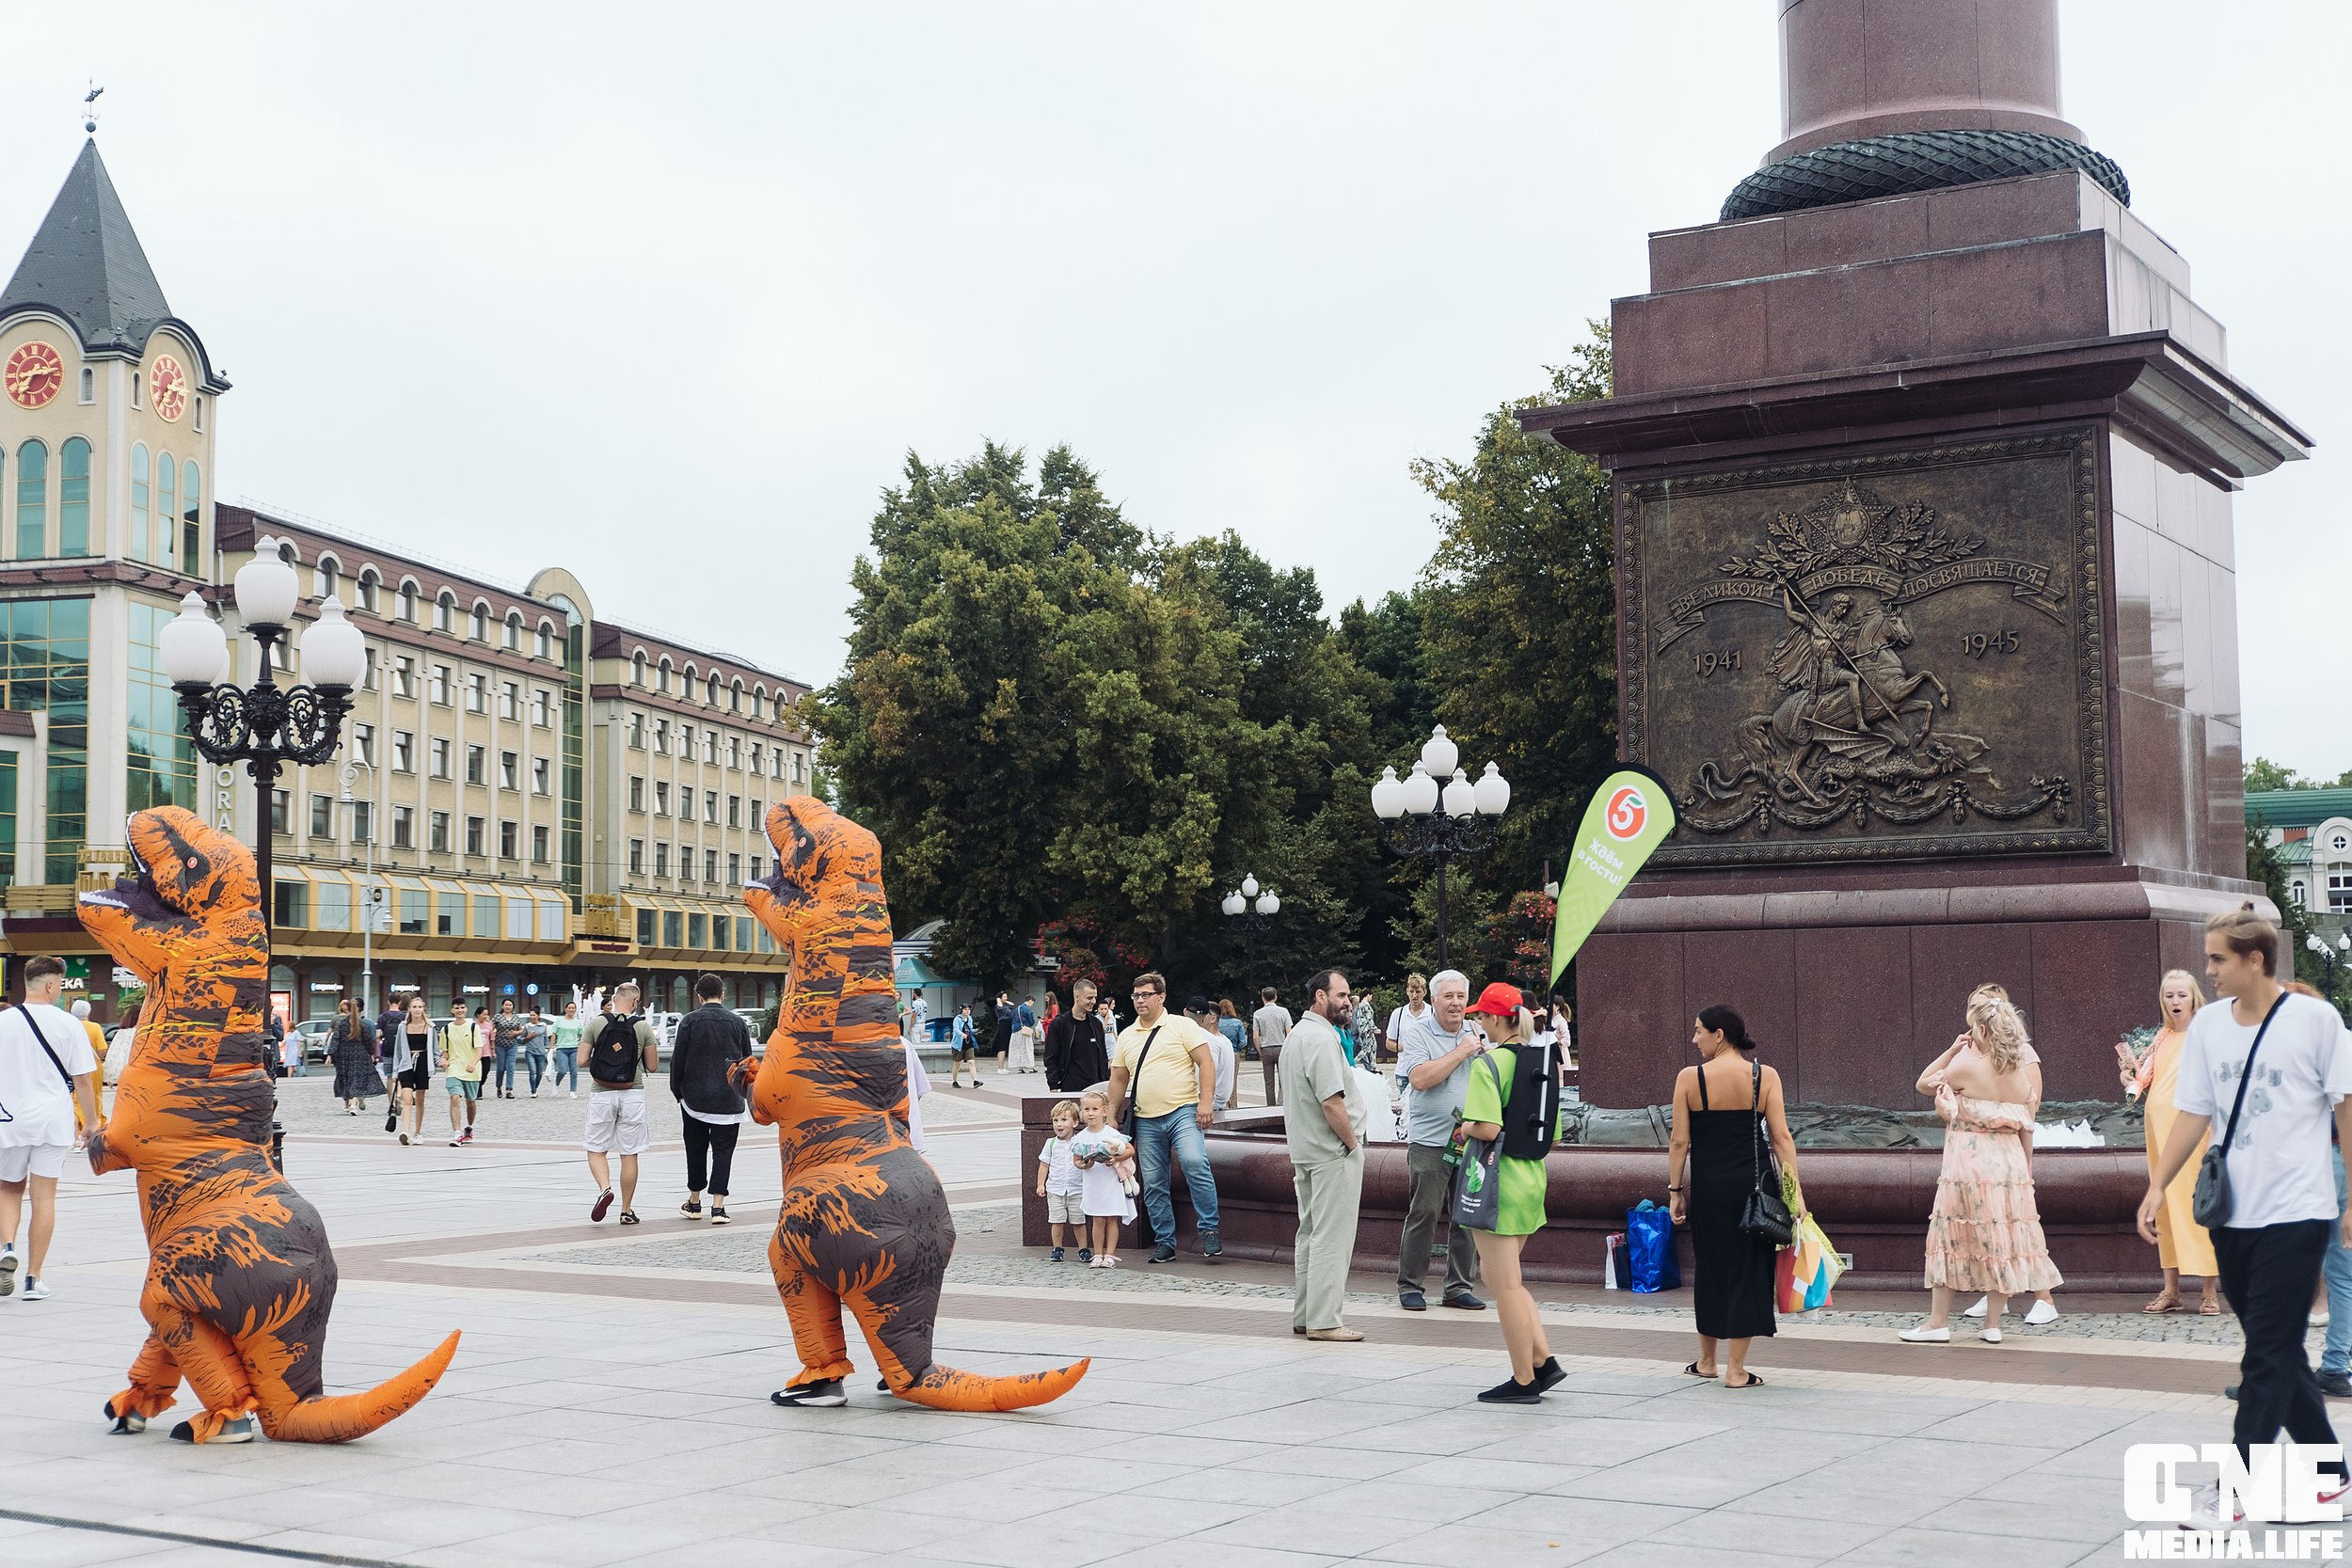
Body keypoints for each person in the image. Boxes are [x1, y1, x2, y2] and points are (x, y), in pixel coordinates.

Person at [2147, 911, 2352, 1529]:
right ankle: (2331, 1477)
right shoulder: (2209, 1025)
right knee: (2278, 1351)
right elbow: (2193, 1111)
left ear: (2256, 959)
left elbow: (2347, 1111)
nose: (2208, 970)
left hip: (2300, 1211)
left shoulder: (2316, 1021)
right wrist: (2156, 1184)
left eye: (2218, 960)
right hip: (2234, 1216)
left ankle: (2234, 1490)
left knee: (2266, 1352)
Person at [1899, 986, 2061, 1345]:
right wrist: (2026, 1173)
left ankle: (1938, 1323)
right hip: (2010, 1167)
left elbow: (1924, 1083)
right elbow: (2027, 1126)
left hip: (1969, 1163)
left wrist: (1953, 1049)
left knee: (1951, 1237)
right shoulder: (2021, 1078)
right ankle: (1992, 1324)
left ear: (1983, 1031)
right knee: (2000, 1240)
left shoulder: (1967, 1067)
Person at [1669, 1005, 1799, 1388]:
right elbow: (1781, 1140)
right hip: (1752, 1187)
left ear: (1719, 1034)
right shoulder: (1765, 1076)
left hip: (1708, 1187)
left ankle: (1707, 1360)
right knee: (1748, 1271)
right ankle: (1736, 1369)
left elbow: (1679, 1141)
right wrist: (1794, 1196)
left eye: (1698, 1032)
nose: (1694, 1040)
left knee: (1710, 1268)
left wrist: (1675, 1191)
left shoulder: (1689, 1079)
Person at [1458, 984, 1566, 1403]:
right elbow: (1551, 1134)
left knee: (1505, 1286)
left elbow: (1485, 1127)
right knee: (1503, 1278)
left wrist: (1465, 1126)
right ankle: (1543, 1361)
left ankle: (1524, 1380)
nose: (1480, 1022)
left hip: (1496, 1181)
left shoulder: (1491, 1065)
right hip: (1530, 1180)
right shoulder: (1544, 1062)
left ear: (1499, 1019)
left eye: (1483, 1016)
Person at [2117, 969, 2223, 1316]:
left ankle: (2209, 1292)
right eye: (2169, 996)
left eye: (2181, 995)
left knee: (2201, 1206)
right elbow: (2147, 1077)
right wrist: (2131, 1079)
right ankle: (2171, 1289)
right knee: (2163, 1210)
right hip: (2158, 1135)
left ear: (2194, 997)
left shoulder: (2206, 1034)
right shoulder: (2161, 1038)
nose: (2175, 1002)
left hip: (2193, 1138)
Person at [0, 956, 102, 1302]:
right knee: (44, 1198)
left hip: (9, 1121)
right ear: (50, 984)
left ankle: (6, 1248)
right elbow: (83, 1081)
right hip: (52, 1121)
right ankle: (33, 1278)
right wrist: (91, 1122)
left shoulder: (4, 1022)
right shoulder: (68, 1024)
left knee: (9, 1190)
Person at [1107, 971, 1225, 1264]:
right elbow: (1119, 1079)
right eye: (1136, 995)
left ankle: (1209, 1230)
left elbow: (1205, 1062)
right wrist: (1110, 1115)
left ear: (1161, 997)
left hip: (1183, 1110)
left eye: (1146, 995)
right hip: (1145, 1118)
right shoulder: (1127, 1036)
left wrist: (1206, 1102)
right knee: (1155, 1181)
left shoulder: (1181, 1025)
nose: (1140, 1000)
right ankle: (1165, 1242)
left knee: (1195, 1162)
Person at [1392, 969, 1486, 1313]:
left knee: (1466, 1215)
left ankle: (1458, 1286)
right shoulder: (1418, 1034)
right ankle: (1411, 1285)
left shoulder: (1477, 1032)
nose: (1456, 1003)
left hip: (1471, 1138)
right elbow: (1418, 1079)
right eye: (1448, 996)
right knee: (1425, 1211)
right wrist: (1462, 1051)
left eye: (1461, 996)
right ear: (1433, 1000)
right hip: (1430, 1140)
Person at [1282, 969, 1368, 1342]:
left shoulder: (1298, 1035)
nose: (1347, 1001)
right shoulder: (1320, 1038)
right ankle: (1325, 1320)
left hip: (1306, 1151)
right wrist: (1352, 1144)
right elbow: (1332, 1102)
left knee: (1311, 1235)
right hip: (1331, 1152)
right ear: (1320, 996)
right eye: (1341, 994)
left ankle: (1306, 1315)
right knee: (1332, 1238)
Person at [670, 974, 752, 1225]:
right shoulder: (738, 1023)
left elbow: (677, 1061)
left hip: (695, 1099)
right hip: (728, 1100)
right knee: (723, 1151)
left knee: (695, 1149)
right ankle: (718, 1206)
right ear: (723, 994)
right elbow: (747, 1061)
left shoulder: (689, 1022)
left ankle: (694, 1202)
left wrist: (678, 1092)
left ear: (699, 995)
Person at [585, 980, 662, 1225]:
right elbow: (652, 1066)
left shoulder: (597, 1023)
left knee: (597, 1148)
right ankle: (626, 1210)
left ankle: (605, 1188)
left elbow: (580, 1060)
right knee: (629, 1153)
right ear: (636, 1002)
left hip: (601, 1092)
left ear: (614, 998)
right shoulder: (643, 1026)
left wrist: (605, 1062)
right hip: (632, 1093)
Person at [1070, 1089, 1136, 1268]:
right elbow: (1076, 1160)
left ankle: (1110, 1255)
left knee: (1111, 1218)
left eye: (1095, 1109)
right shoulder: (1081, 1137)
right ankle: (1098, 1253)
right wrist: (1084, 1164)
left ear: (1104, 1111)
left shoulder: (1111, 1133)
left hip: (1110, 1181)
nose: (1090, 1113)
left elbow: (1130, 1150)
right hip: (1093, 1182)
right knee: (1098, 1219)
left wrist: (1116, 1158)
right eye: (1087, 1109)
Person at [1037, 1100, 1087, 1261]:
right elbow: (1044, 1165)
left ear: (1075, 1122)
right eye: (1055, 1120)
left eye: (1064, 1120)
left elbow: (1087, 1163)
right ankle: (1057, 1248)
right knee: (1056, 1221)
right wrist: (1040, 1184)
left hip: (1077, 1189)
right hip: (1055, 1189)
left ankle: (1083, 1249)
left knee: (1078, 1221)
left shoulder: (1080, 1142)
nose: (1059, 1124)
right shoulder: (1050, 1143)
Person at [1043, 980, 1109, 1093]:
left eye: (1095, 998)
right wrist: (1053, 1085)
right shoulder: (1060, 1024)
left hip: (1096, 1088)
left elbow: (1103, 1056)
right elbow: (1051, 1058)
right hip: (1070, 1088)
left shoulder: (1096, 1024)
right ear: (1077, 997)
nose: (1093, 1002)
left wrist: (1106, 1081)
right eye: (1089, 998)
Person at [440, 1002, 487, 1145]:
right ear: (452, 1010)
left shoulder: (474, 1027)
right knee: (454, 1098)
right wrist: (443, 1060)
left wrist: (473, 1064)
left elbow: (479, 1050)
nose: (459, 1010)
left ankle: (469, 1128)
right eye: (456, 1008)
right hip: (454, 1068)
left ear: (466, 1009)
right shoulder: (446, 1029)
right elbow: (445, 1052)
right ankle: (457, 1133)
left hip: (471, 1070)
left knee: (471, 1103)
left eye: (462, 1008)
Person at [391, 995, 434, 1145]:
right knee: (407, 1098)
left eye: (420, 1007)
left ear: (423, 1009)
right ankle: (406, 1132)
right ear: (409, 1009)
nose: (417, 1010)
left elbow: (434, 1050)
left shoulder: (430, 1027)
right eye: (414, 1007)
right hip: (406, 1064)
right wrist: (395, 1072)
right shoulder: (403, 1026)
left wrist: (438, 1062)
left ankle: (418, 1132)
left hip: (423, 1063)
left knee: (420, 1100)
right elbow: (398, 1051)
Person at [1189, 997, 1235, 1116]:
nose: (1202, 1018)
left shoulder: (1210, 1043)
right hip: (1220, 1101)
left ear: (1213, 1018)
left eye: (1205, 1014)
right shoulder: (1225, 1041)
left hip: (1211, 1104)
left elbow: (1206, 1074)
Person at [329, 997, 374, 1114]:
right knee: (357, 1079)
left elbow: (335, 1039)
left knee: (346, 1078)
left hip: (344, 1054)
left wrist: (330, 1054)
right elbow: (367, 1041)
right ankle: (354, 1103)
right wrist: (371, 1053)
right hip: (359, 1054)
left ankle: (348, 1104)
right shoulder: (362, 1024)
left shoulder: (341, 1024)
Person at [1252, 987, 1294, 1104]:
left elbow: (1255, 1036)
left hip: (1266, 1048)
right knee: (1284, 1078)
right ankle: (1282, 1102)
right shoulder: (1284, 1011)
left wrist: (1260, 1051)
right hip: (1281, 1048)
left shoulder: (1257, 1014)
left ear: (1262, 998)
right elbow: (1289, 1032)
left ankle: (1270, 1105)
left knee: (1269, 1081)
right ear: (1275, 997)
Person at [1384, 973, 1430, 1068]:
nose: (1414, 995)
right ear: (1407, 991)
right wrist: (1402, 1047)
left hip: (1426, 1069)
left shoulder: (1432, 1013)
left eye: (1418, 992)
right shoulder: (1398, 1013)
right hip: (1403, 1070)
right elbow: (1389, 1043)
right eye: (1411, 991)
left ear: (1425, 992)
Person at [71, 999, 107, 1116]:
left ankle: (77, 1121)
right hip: (93, 1067)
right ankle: (93, 1122)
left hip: (72, 1066)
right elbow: (102, 1050)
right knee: (94, 1096)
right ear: (88, 1012)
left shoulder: (69, 1026)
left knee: (74, 1096)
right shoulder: (95, 1027)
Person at [548, 1000, 583, 1097]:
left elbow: (581, 1035)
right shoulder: (559, 1020)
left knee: (574, 1071)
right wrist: (551, 1046)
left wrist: (583, 1045)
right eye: (569, 1008)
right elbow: (554, 1033)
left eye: (573, 1008)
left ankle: (573, 1091)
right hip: (562, 1048)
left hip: (574, 1048)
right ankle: (556, 1084)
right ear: (565, 1009)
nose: (571, 1009)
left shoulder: (578, 1022)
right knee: (562, 1070)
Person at [490, 999, 523, 1100]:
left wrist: (515, 1033)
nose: (508, 1007)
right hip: (500, 1045)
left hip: (512, 1045)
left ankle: (509, 1090)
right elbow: (491, 1029)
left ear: (513, 1006)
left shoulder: (516, 1017)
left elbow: (521, 1029)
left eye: (510, 1005)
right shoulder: (497, 1016)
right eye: (506, 1005)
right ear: (502, 1006)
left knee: (510, 1067)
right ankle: (498, 1086)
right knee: (501, 1068)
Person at [1215, 1000, 1248, 1085]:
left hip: (1218, 1053)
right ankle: (1232, 1098)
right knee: (1233, 1082)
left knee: (1218, 1080)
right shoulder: (1237, 1023)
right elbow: (1243, 1042)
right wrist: (1237, 1048)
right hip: (1233, 1053)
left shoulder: (1215, 1022)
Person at [947, 1003, 977, 1090]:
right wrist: (962, 1034)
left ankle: (975, 1081)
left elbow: (970, 1028)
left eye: (968, 1009)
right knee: (957, 1064)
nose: (967, 1011)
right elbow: (956, 1029)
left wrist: (975, 1031)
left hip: (968, 1042)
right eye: (965, 1009)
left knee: (971, 1062)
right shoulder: (957, 1019)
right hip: (958, 1044)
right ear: (961, 1010)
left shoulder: (970, 1018)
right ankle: (954, 1081)